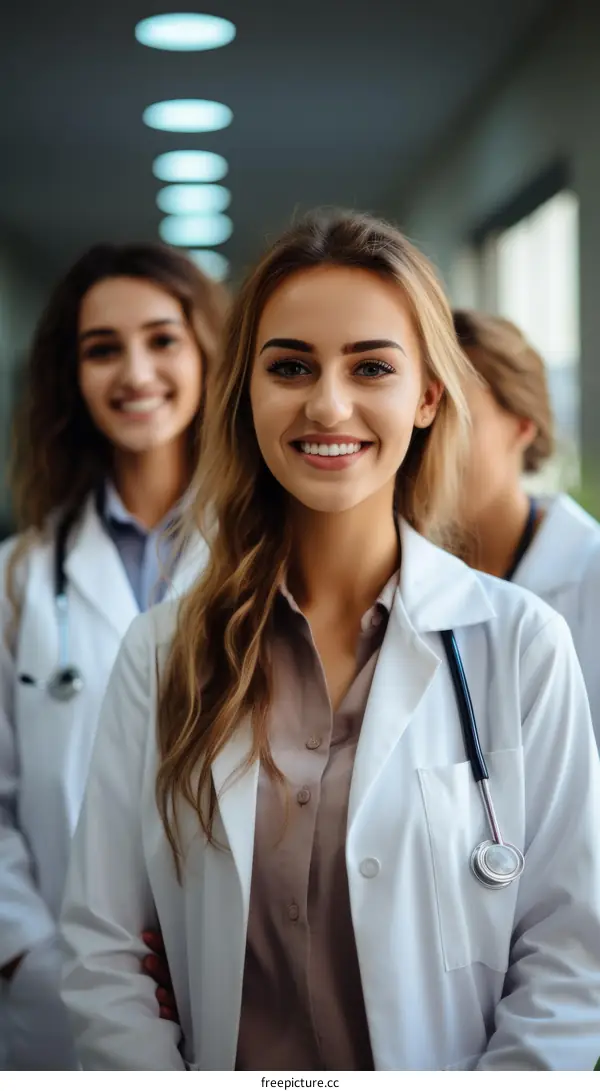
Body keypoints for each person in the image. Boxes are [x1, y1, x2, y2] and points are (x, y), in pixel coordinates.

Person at [59, 210, 600, 1071]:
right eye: (291, 366)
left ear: (426, 395)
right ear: (246, 392)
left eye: (372, 366)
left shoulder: (520, 642)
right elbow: (103, 948)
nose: (328, 403)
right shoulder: (163, 651)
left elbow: (571, 956)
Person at [0, 242, 227, 1069]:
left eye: (163, 339)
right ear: (73, 374)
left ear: (208, 352)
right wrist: (29, 953)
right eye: (103, 348)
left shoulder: (269, 557)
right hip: (58, 993)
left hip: (235, 976)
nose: (136, 371)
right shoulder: (19, 576)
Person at [453, 309, 600, 742]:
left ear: (522, 426)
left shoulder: (590, 574)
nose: (431, 450)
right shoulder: (396, 573)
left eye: (459, 422)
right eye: (423, 420)